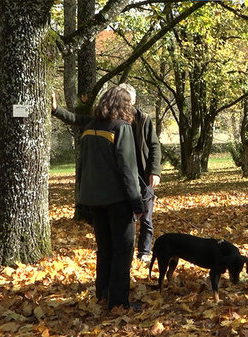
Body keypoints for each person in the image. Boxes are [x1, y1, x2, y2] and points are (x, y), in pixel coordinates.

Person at [51, 84, 162, 263]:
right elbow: (76, 118)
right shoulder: (107, 123)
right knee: (114, 243)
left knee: (146, 218)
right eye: (126, 101)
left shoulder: (143, 119)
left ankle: (144, 252)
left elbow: (154, 146)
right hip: (120, 182)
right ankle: (113, 282)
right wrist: (56, 110)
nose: (130, 104)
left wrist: (155, 171)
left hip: (142, 174)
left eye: (131, 101)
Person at [76, 86, 144, 310]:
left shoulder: (89, 128)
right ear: (124, 104)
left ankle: (102, 294)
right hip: (118, 200)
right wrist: (137, 201)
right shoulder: (121, 127)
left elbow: (85, 166)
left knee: (104, 249)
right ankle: (119, 302)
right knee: (122, 252)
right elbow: (128, 169)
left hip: (94, 200)